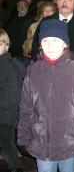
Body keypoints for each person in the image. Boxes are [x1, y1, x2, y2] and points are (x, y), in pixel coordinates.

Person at [17, 19, 74, 172]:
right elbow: (25, 107)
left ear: (64, 43)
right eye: (45, 40)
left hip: (69, 144)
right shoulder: (33, 71)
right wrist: (23, 137)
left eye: (55, 40)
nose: (50, 46)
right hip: (41, 144)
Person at [0, 29, 25, 172]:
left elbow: (12, 93)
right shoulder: (13, 62)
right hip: (9, 113)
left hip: (5, 114)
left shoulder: (7, 65)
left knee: (6, 144)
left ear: (7, 46)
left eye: (0, 43)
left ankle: (15, 168)